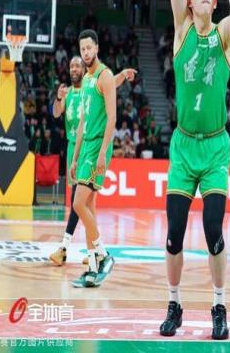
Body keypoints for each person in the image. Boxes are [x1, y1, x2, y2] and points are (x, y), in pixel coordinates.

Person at [159, 0, 230, 340]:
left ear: (213, 2)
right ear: (190, 2)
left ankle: (219, 306)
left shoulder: (223, 34)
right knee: (174, 234)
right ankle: (174, 304)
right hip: (183, 147)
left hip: (214, 149)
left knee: (213, 229)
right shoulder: (181, 30)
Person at [49, 56, 136, 266]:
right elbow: (56, 113)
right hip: (74, 146)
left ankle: (70, 247)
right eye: (71, 66)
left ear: (84, 69)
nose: (74, 69)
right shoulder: (69, 93)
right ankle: (94, 252)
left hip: (90, 145)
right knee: (85, 202)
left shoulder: (91, 85)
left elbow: (109, 83)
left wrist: (122, 75)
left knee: (80, 201)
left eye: (77, 65)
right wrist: (58, 98)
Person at [69, 29, 132, 287]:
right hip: (85, 148)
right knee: (89, 209)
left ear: (96, 48)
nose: (85, 53)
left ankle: (104, 255)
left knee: (78, 204)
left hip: (98, 148)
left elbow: (112, 118)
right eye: (82, 49)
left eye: (89, 48)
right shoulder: (87, 79)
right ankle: (93, 270)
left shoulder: (104, 74)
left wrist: (104, 153)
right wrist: (74, 158)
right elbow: (82, 122)